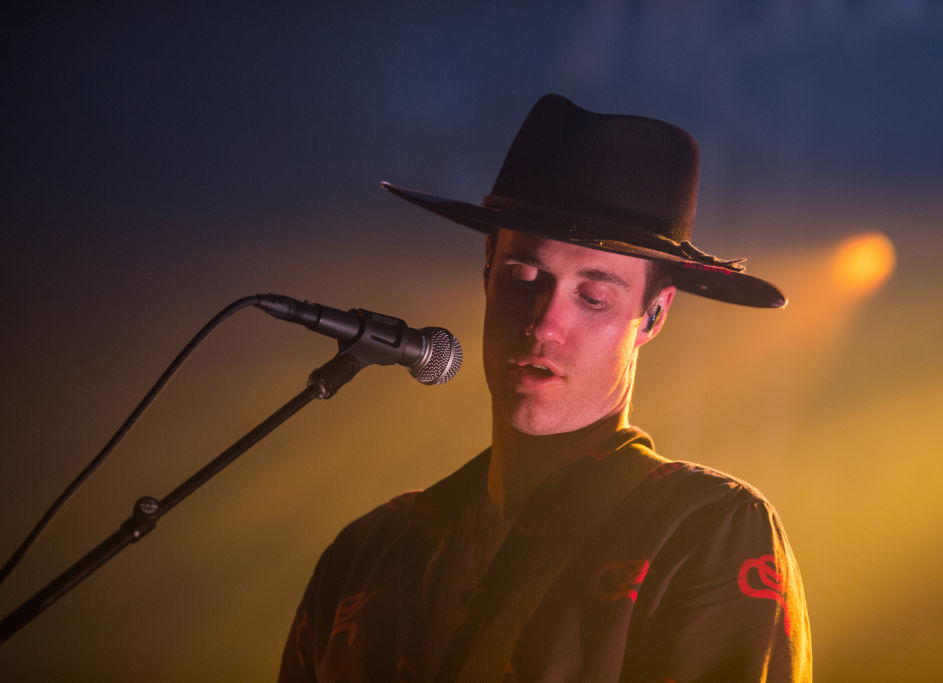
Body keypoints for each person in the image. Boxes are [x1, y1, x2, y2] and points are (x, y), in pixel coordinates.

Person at [277, 94, 811, 682]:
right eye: (525, 277)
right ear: (487, 267)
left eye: (593, 297)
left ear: (653, 315)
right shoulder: (365, 554)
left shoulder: (705, 531)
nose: (545, 324)